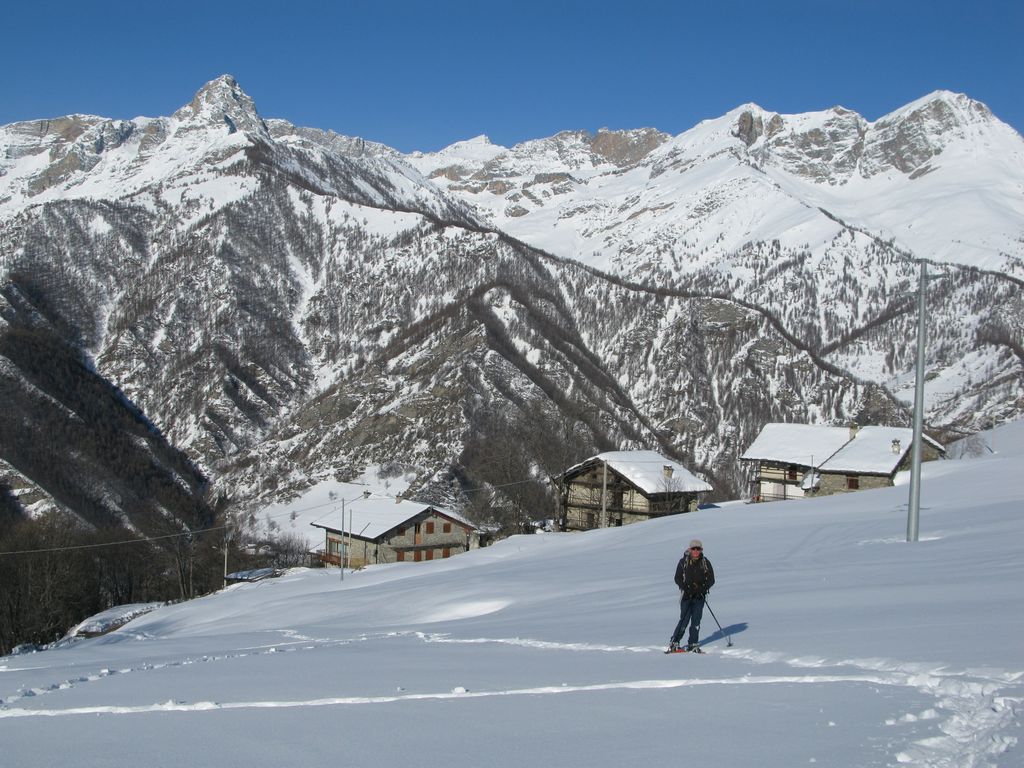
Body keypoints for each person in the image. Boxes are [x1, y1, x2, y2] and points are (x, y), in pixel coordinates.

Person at [668, 539, 715, 652]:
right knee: (684, 619)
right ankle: (675, 642)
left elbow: (711, 579)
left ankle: (693, 643)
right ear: (690, 549)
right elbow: (677, 578)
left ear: (701, 550)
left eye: (698, 549)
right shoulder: (683, 561)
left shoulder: (705, 562)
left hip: (699, 596)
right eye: (693, 549)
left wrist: (703, 588)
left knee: (696, 621)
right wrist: (686, 588)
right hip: (687, 596)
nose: (695, 551)